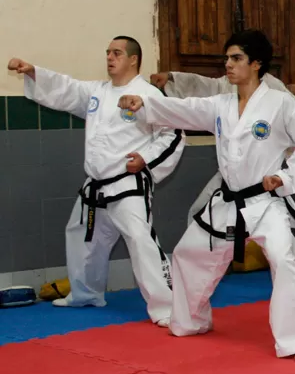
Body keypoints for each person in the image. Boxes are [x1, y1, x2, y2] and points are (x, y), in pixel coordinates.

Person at [118, 29, 295, 362]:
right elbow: (181, 109)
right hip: (228, 200)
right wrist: (144, 103)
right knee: (189, 253)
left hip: (265, 200)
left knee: (284, 259)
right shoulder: (220, 103)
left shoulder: (280, 104)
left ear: (257, 63)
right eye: (227, 58)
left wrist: (285, 177)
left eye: (236, 58)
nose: (228, 65)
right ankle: (190, 320)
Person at [8, 37, 184, 325]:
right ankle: (85, 293)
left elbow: (173, 134)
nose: (110, 58)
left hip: (128, 183)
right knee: (82, 236)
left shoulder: (148, 94)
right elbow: (66, 88)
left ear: (133, 60)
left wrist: (145, 159)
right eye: (108, 53)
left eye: (117, 53)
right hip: (96, 184)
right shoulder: (96, 92)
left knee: (140, 241)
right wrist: (32, 72)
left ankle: (165, 307)